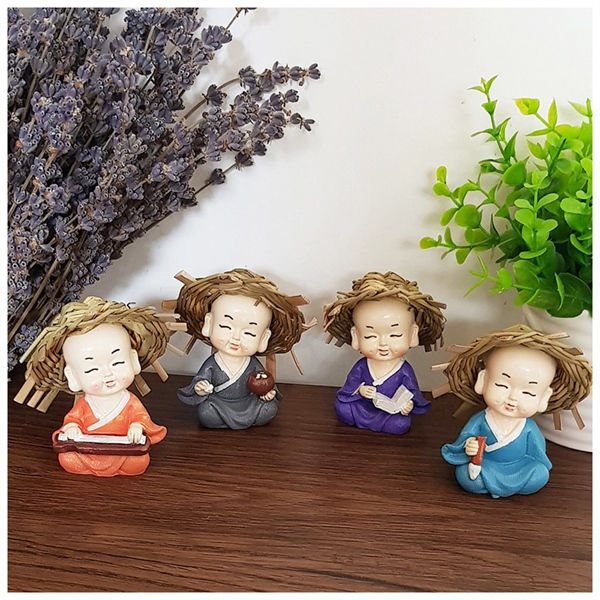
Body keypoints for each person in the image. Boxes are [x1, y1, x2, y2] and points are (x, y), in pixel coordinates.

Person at [439, 325, 592, 498]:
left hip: (518, 468)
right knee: (465, 475)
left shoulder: (529, 428)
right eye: (502, 385)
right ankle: (491, 484)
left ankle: (500, 486)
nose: (512, 398)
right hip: (487, 465)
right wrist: (469, 446)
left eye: (528, 393)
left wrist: (535, 464)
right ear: (483, 380)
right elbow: (465, 439)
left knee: (539, 474)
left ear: (544, 398)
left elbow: (538, 455)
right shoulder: (480, 420)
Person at [23, 296, 169, 477]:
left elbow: (141, 419)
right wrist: (71, 428)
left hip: (122, 450)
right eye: (92, 369)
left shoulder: (130, 402)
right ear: (73, 377)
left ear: (133, 360)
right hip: (89, 448)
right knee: (68, 458)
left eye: (117, 363)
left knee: (138, 461)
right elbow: (73, 420)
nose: (107, 374)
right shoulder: (84, 404)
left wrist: (137, 427)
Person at [174, 269, 310, 429]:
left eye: (249, 333)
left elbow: (264, 383)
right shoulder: (212, 363)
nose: (236, 337)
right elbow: (200, 379)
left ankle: (241, 418)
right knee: (206, 412)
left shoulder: (252, 364)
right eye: (226, 326)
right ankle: (221, 419)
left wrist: (267, 393)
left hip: (247, 403)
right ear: (209, 324)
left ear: (263, 338)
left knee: (269, 409)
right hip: (219, 403)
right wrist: (201, 387)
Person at [323, 271, 446, 435]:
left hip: (388, 413)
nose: (383, 343)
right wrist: (360, 390)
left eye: (394, 335)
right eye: (370, 336)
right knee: (342, 408)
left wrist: (407, 405)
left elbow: (412, 393)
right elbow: (348, 388)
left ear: (412, 334)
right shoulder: (362, 366)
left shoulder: (404, 371)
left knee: (400, 424)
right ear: (356, 336)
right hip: (363, 407)